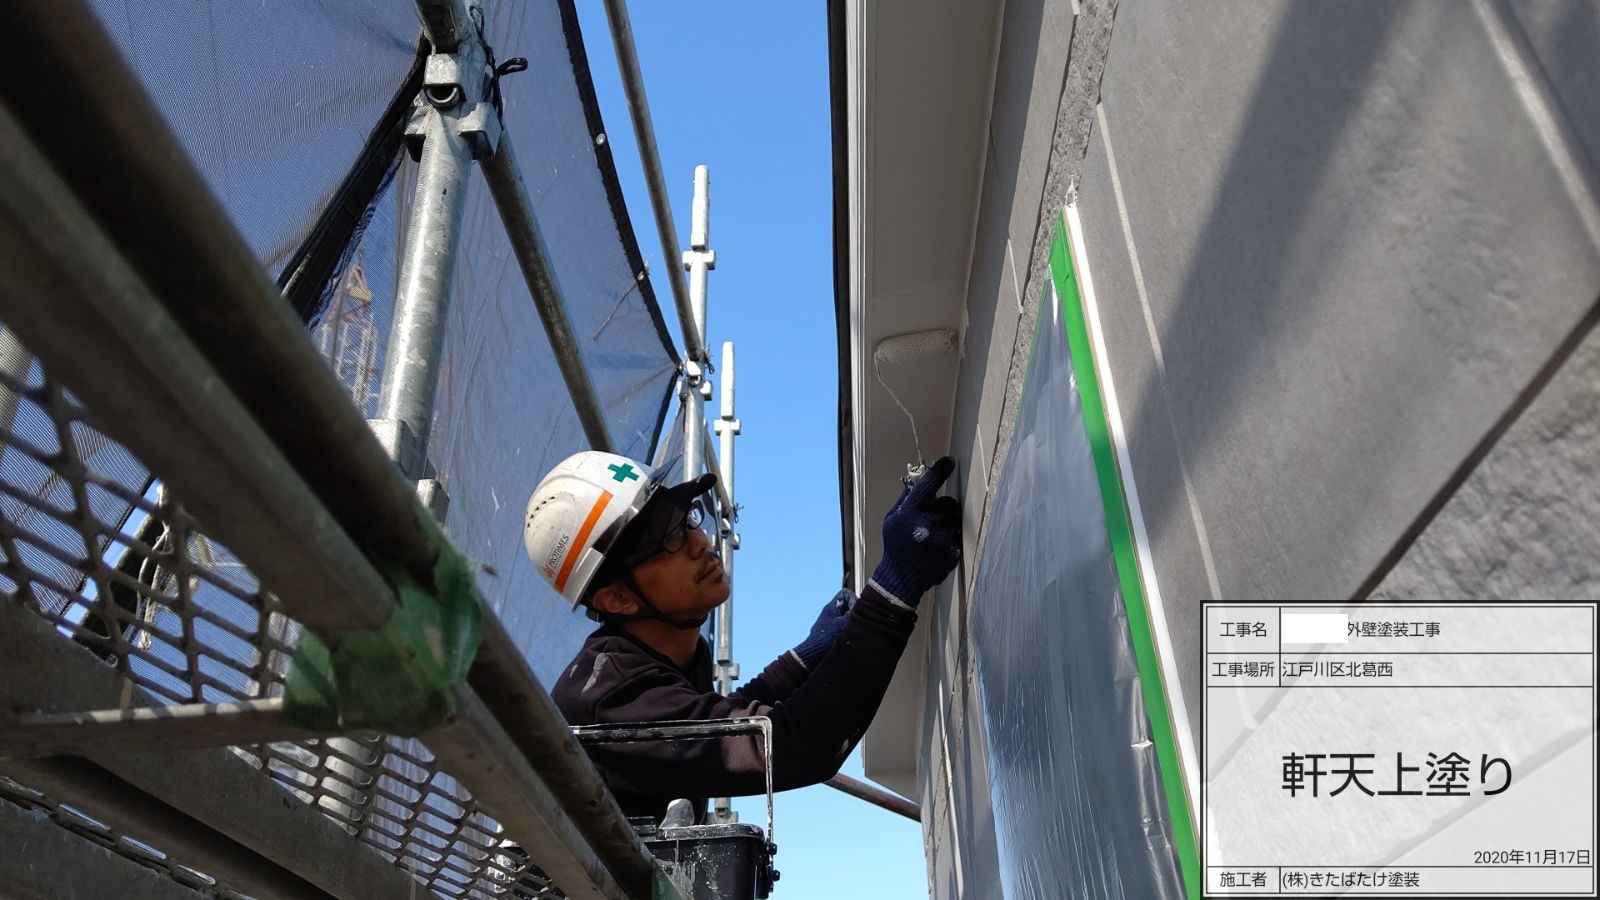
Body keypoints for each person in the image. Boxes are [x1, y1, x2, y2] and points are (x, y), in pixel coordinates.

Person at [523, 451, 960, 823]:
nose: (699, 542)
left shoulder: (659, 658)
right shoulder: (609, 697)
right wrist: (892, 592)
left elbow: (720, 727)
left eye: (687, 519)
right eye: (668, 539)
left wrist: (806, 655)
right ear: (618, 598)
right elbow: (791, 746)